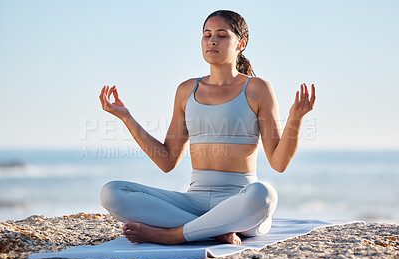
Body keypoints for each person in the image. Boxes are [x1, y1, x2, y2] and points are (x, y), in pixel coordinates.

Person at [99, 10, 316, 245]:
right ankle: (214, 231)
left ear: (241, 43)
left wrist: (296, 118)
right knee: (111, 192)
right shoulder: (186, 90)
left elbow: (278, 163)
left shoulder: (257, 88)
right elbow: (167, 161)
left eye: (222, 35)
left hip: (240, 200)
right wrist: (127, 118)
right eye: (207, 35)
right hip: (194, 202)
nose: (212, 40)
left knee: (264, 195)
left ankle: (174, 234)